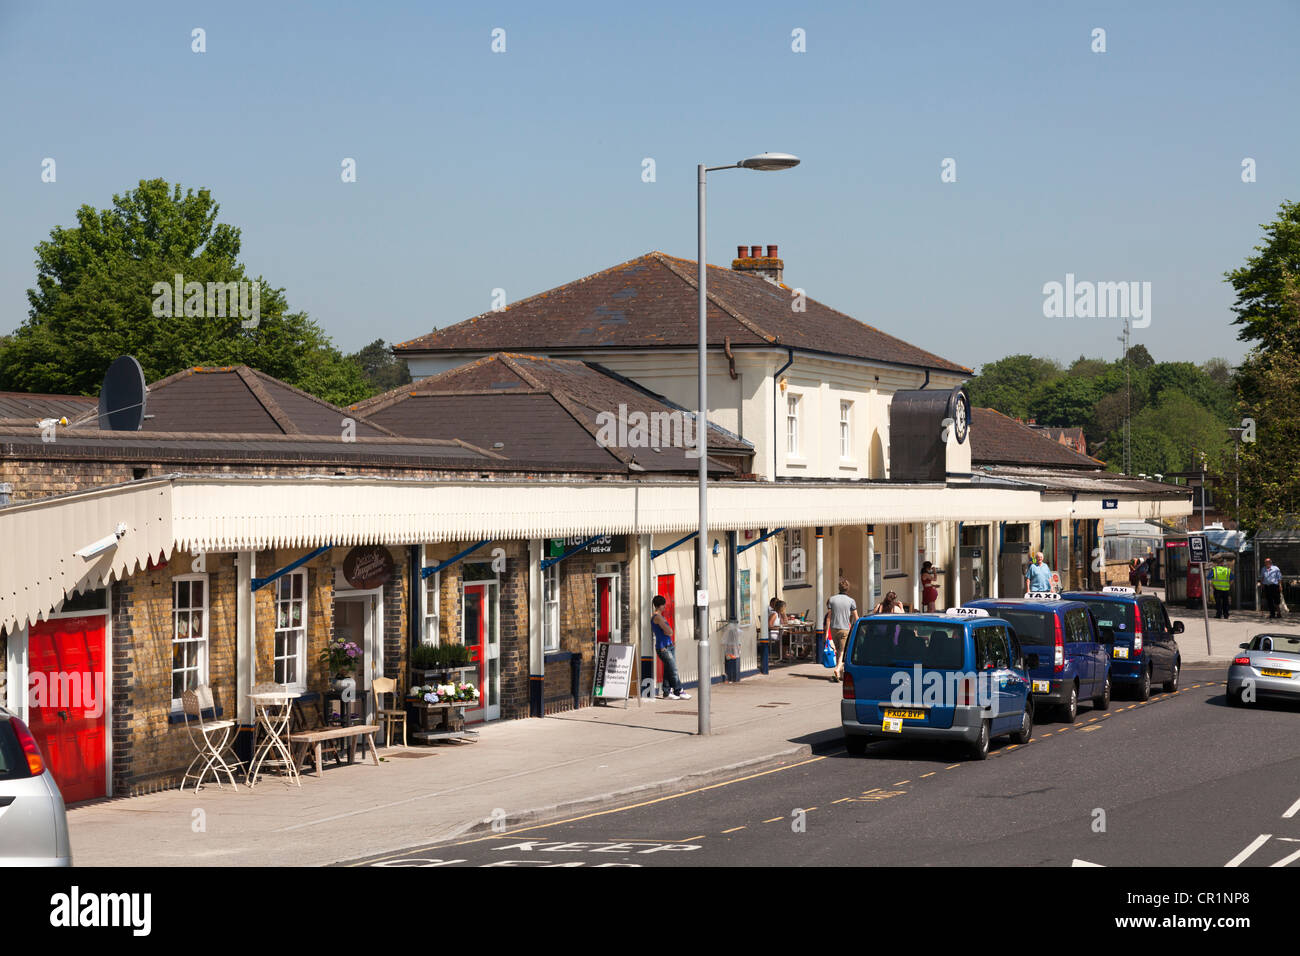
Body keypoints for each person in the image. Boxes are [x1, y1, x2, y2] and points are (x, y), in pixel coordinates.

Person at [651, 594, 690, 700]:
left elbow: (668, 632)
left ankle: (667, 692)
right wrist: (667, 631)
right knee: (673, 670)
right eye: (663, 605)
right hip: (663, 647)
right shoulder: (657, 617)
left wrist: (667, 631)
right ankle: (679, 690)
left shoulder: (660, 617)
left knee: (668, 669)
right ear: (659, 606)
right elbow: (669, 631)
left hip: (669, 645)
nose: (665, 607)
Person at [826, 582, 858, 683]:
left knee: (839, 651)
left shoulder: (832, 599)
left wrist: (826, 632)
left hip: (833, 628)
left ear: (839, 588)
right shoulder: (851, 601)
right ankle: (838, 668)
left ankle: (839, 674)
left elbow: (828, 617)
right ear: (848, 589)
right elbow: (856, 617)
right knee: (843, 652)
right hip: (845, 628)